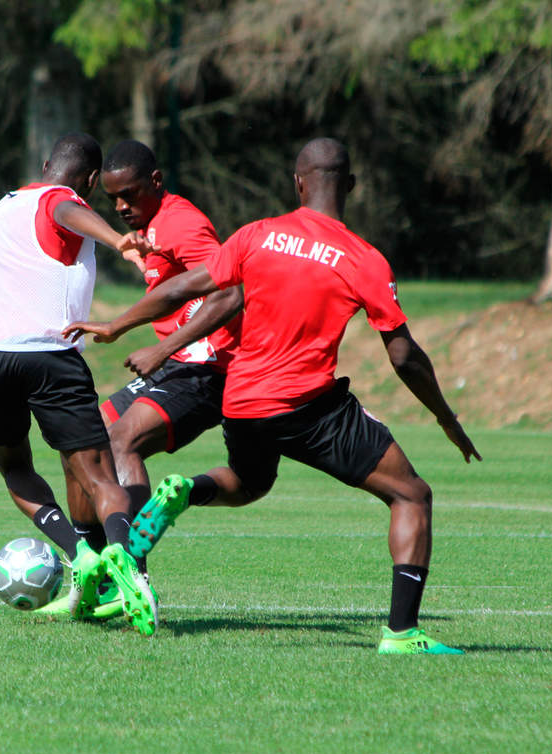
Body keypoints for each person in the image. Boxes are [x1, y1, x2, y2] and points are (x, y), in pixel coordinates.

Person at [64, 137, 481, 654]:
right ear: (349, 185)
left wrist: (117, 326)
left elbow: (183, 288)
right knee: (411, 494)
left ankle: (188, 490)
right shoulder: (365, 259)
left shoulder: (257, 234)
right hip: (309, 408)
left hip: (240, 400)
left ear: (298, 183)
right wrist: (445, 417)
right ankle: (402, 633)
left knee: (249, 481)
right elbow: (404, 357)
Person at [0, 133, 162, 635]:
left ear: (43, 165)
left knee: (17, 471)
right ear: (87, 181)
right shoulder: (63, 199)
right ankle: (122, 559)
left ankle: (78, 554)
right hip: (47, 355)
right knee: (101, 477)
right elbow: (65, 211)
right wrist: (117, 239)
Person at [63, 139, 242, 580]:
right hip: (177, 364)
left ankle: (131, 570)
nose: (122, 206)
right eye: (114, 198)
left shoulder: (182, 224)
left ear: (156, 182)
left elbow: (230, 293)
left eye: (131, 194)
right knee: (83, 440)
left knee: (122, 441)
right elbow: (168, 292)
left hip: (207, 366)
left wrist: (160, 346)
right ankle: (89, 565)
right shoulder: (150, 227)